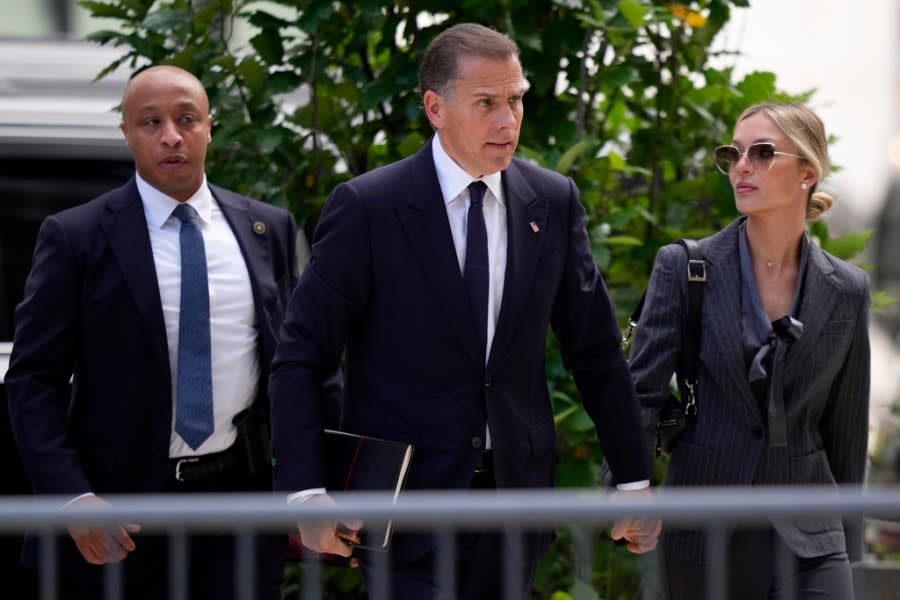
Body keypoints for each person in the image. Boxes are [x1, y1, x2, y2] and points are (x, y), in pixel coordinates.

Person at [268, 22, 659, 599]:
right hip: (403, 510)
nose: (508, 120)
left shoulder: (551, 201)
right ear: (436, 108)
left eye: (516, 99)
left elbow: (595, 350)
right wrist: (305, 491)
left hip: (514, 507)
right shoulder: (368, 208)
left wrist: (633, 479)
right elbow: (302, 356)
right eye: (486, 104)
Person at [5, 65, 312, 599]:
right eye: (151, 122)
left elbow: (296, 368)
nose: (171, 135)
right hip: (120, 511)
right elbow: (33, 380)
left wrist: (308, 487)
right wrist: (73, 499)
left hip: (236, 504)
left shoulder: (267, 228)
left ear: (210, 128)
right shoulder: (76, 237)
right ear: (126, 133)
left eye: (186, 118)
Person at [630, 102, 871, 599]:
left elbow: (845, 428)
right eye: (733, 153)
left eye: (762, 153)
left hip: (811, 536)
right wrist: (628, 491)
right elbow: (640, 395)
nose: (742, 166)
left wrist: (851, 549)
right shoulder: (686, 267)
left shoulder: (847, 289)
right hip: (703, 531)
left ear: (807, 172)